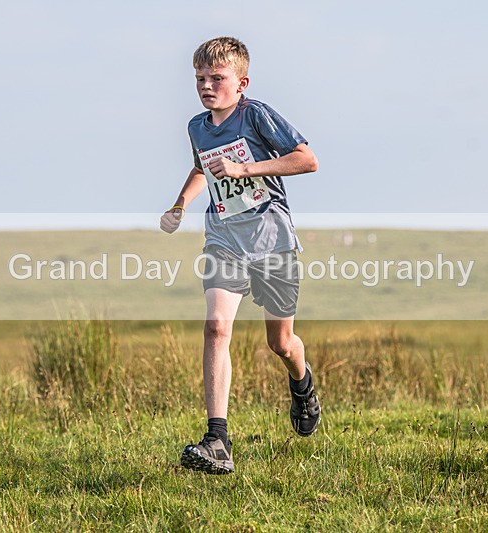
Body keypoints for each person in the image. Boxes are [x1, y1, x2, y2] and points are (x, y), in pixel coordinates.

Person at [160, 36, 320, 475]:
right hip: (224, 236)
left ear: (241, 82)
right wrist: (181, 204)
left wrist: (244, 168)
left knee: (280, 342)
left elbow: (307, 160)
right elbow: (202, 167)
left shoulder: (257, 115)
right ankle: (217, 440)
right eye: (200, 79)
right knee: (215, 327)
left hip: (271, 237)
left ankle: (302, 383)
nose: (207, 86)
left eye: (217, 78)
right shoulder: (197, 126)